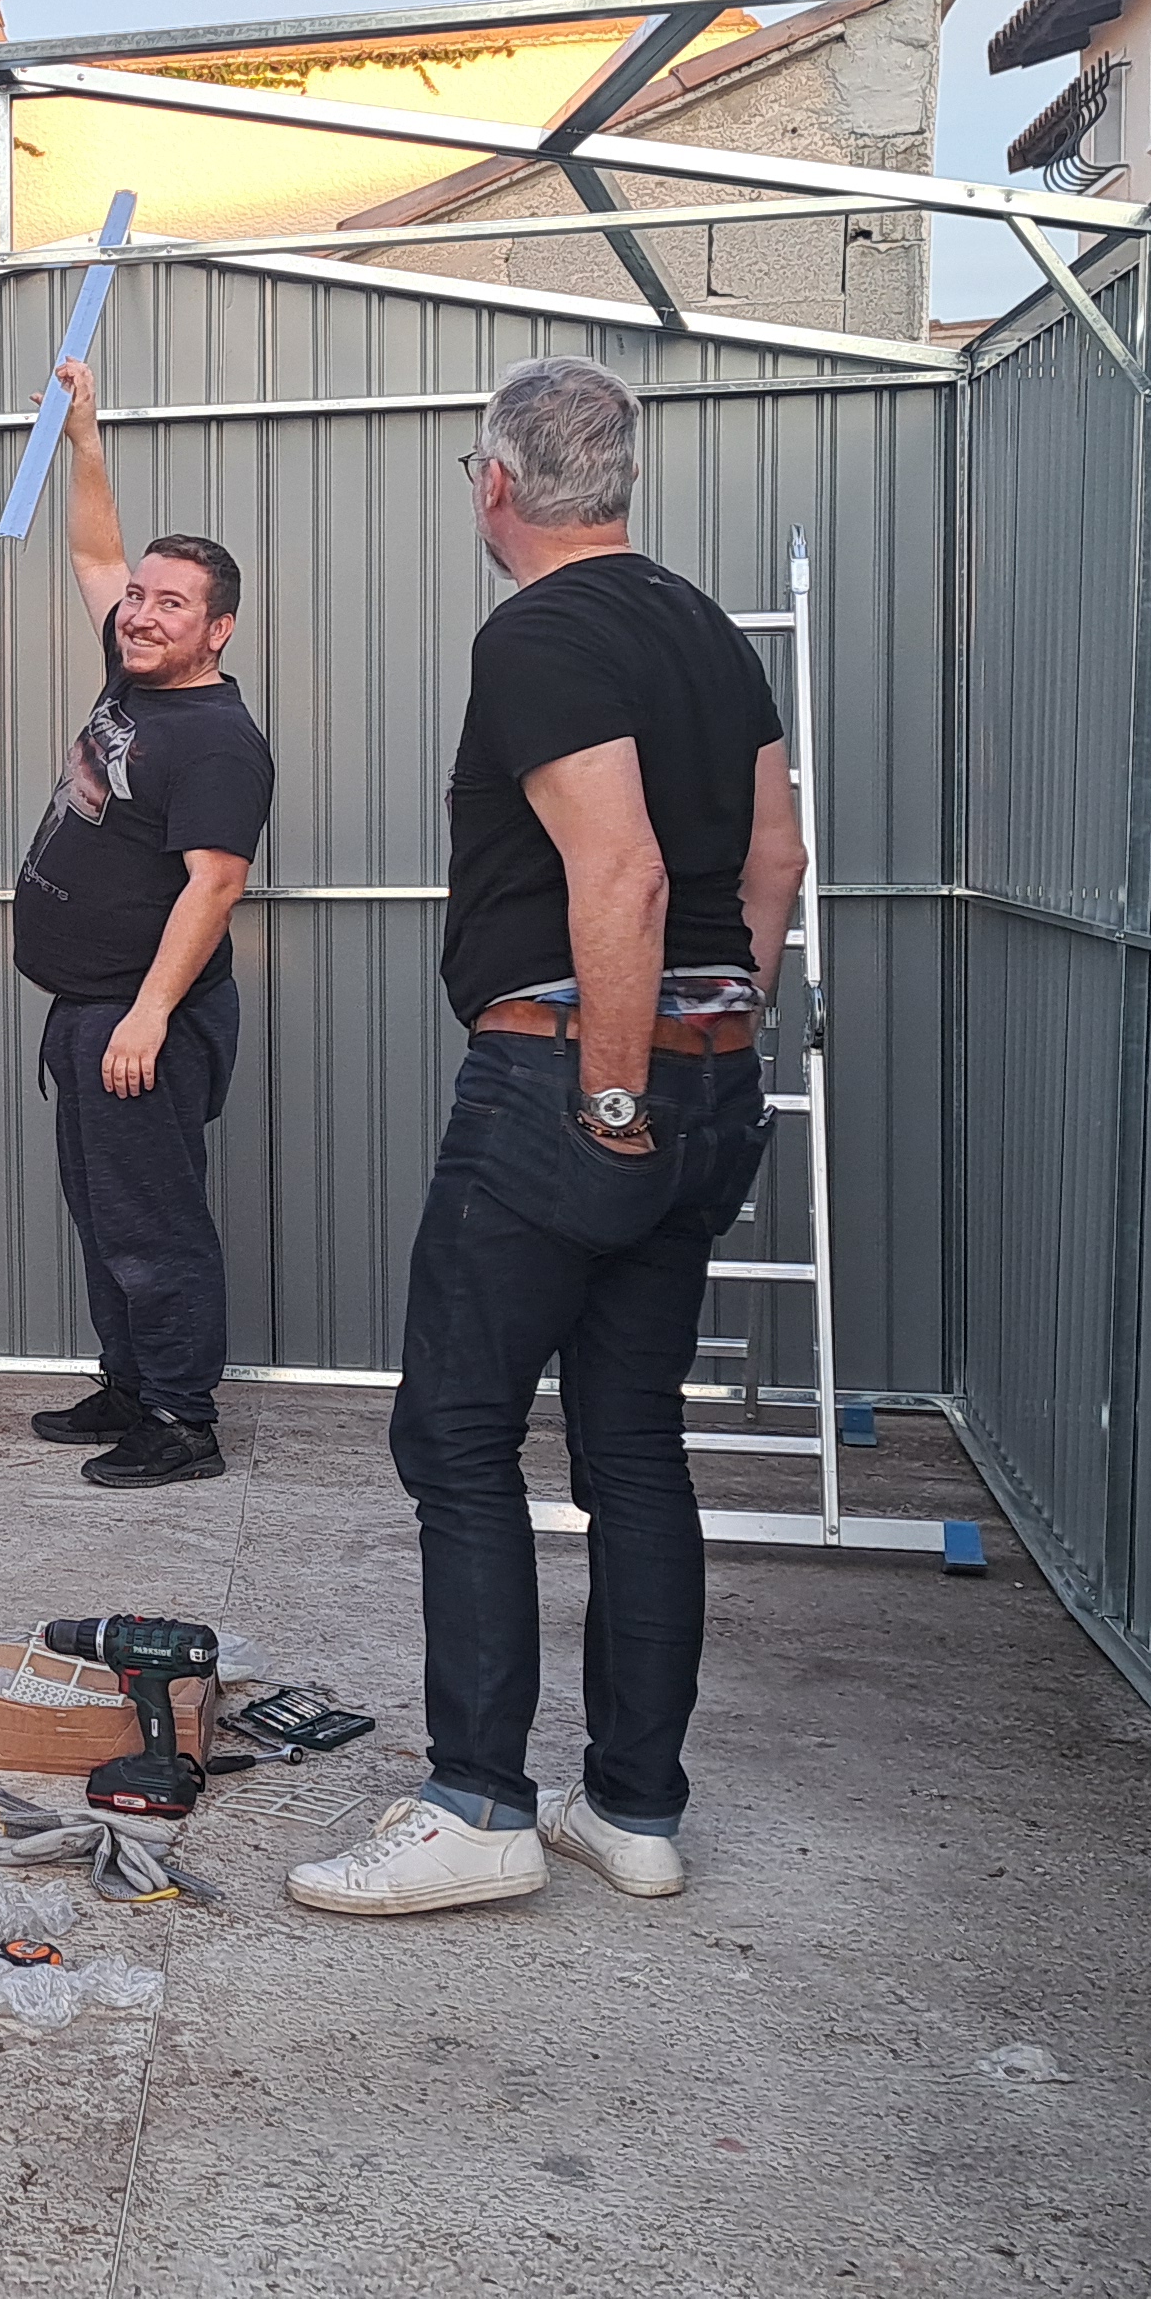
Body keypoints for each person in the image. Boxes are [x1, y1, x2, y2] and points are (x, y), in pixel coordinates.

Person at [290, 355, 802, 1918]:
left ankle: (478, 1806)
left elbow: (623, 875)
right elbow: (775, 860)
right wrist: (719, 1035)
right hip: (711, 1073)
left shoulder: (538, 633)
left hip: (572, 1079)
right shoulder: (706, 631)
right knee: (632, 1439)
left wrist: (615, 1092)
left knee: (455, 1432)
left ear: (497, 483)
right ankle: (634, 1809)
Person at [10, 357, 274, 1491]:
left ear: (217, 631)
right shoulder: (134, 683)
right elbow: (91, 555)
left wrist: (149, 1017)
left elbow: (215, 886)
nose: (141, 611)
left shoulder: (217, 741)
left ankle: (179, 1416)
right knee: (102, 1212)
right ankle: (128, 1382)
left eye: (172, 603)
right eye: (141, 597)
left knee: (152, 1222)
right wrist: (85, 441)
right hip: (93, 1009)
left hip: (142, 1018)